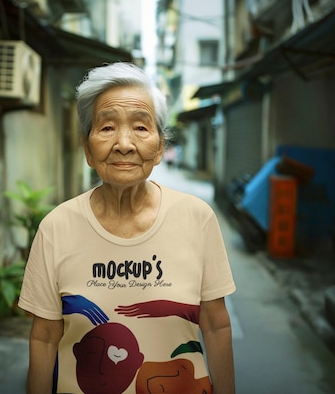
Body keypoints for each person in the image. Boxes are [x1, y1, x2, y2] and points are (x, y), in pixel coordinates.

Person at [18, 62, 237, 394]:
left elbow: (216, 325)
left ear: (160, 146)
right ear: (88, 149)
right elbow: (44, 338)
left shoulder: (198, 218)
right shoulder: (56, 228)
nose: (124, 143)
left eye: (140, 127)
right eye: (106, 128)